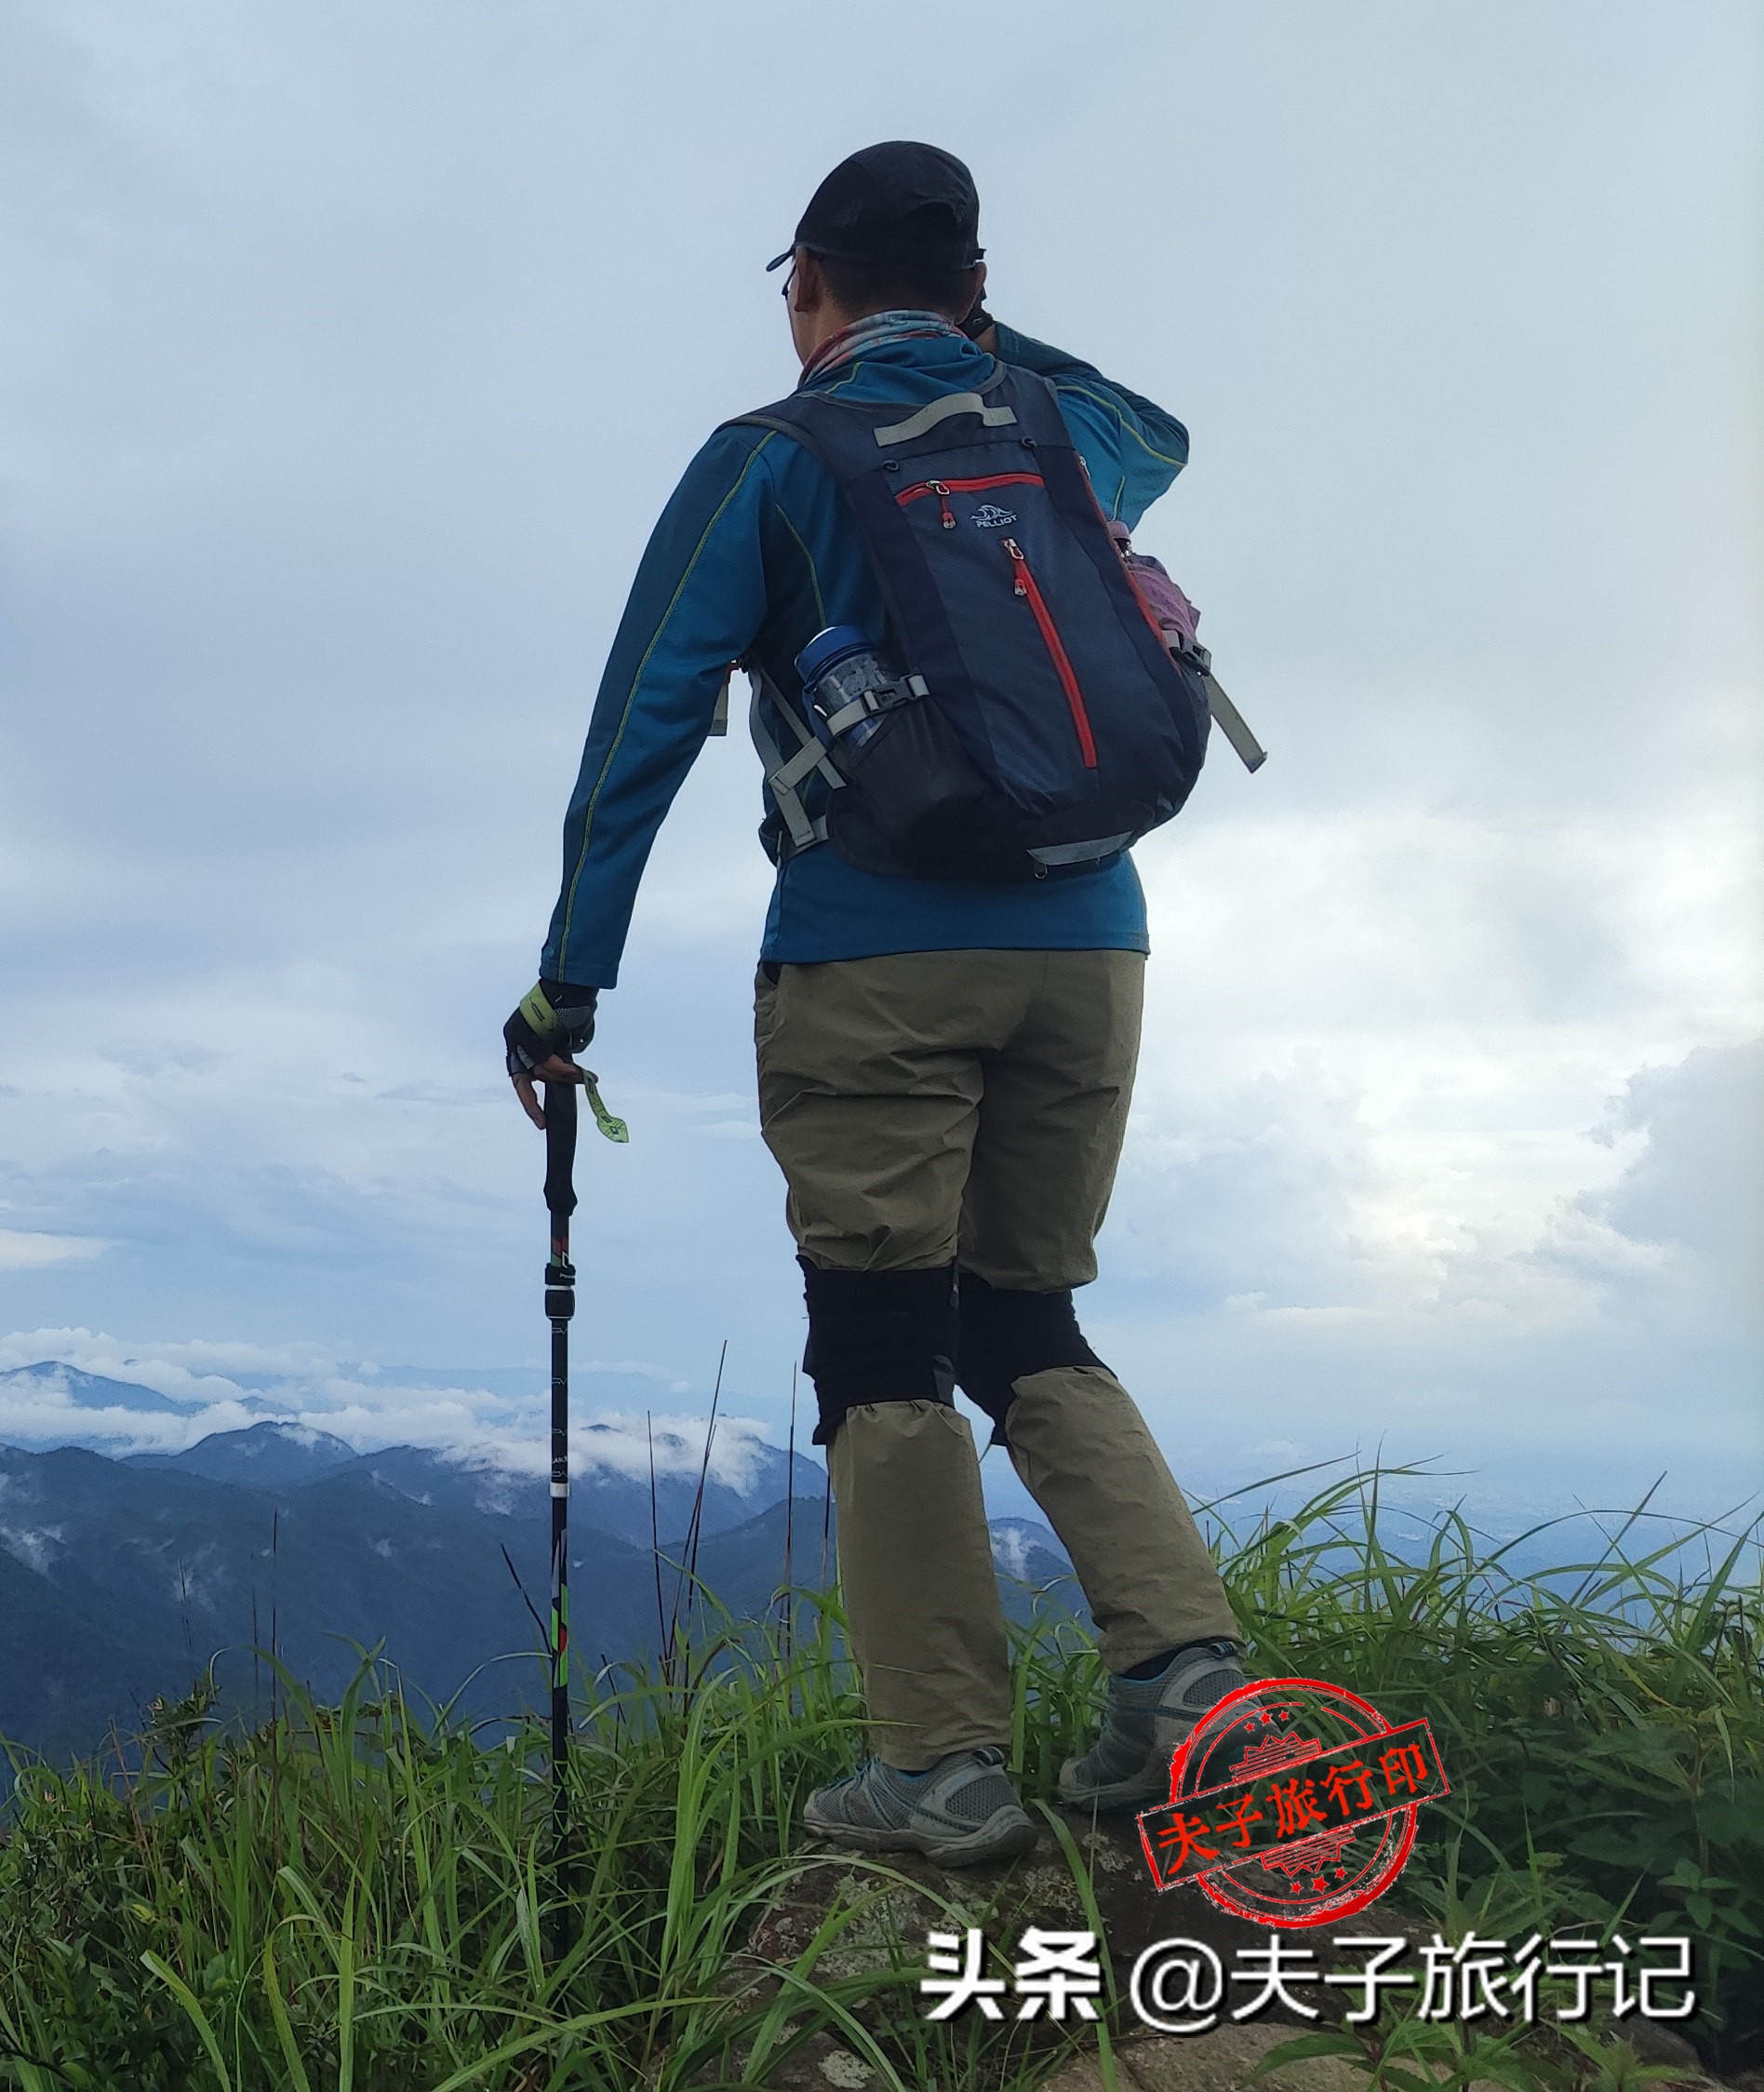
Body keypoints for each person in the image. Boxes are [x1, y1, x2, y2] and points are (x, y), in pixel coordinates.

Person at [503, 141, 1246, 1868]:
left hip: (875, 956)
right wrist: (967, 326)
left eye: (799, 284)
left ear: (805, 287)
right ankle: (1190, 1685)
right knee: (1030, 1319)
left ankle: (942, 1766)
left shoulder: (768, 463)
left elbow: (639, 734)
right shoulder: (1063, 435)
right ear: (977, 290)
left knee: (882, 1350)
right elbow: (1163, 428)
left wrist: (566, 987)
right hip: (1095, 946)